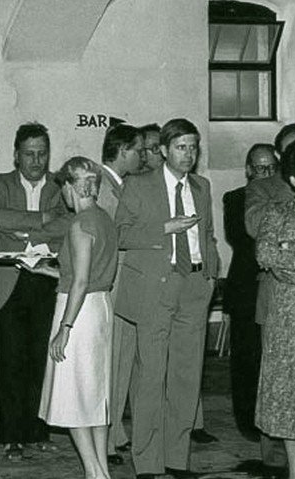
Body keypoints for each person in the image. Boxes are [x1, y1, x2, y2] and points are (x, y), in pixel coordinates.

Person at [114, 118, 219, 478]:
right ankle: (147, 461)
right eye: (180, 147)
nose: (188, 154)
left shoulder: (202, 187)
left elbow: (208, 234)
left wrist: (209, 276)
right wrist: (164, 228)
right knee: (151, 377)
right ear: (162, 150)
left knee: (186, 378)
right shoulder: (138, 184)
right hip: (155, 288)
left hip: (194, 286)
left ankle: (177, 458)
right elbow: (120, 233)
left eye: (192, 147)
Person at [0, 122, 69, 462]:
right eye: (29, 154)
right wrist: (43, 220)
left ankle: (38, 431)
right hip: (9, 280)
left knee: (41, 359)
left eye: (42, 153)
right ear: (16, 155)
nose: (36, 160)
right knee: (10, 359)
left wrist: (27, 229)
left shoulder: (59, 185)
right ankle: (12, 435)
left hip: (46, 278)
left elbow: (67, 223)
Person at [244, 122, 295, 475]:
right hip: (282, 307)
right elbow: (261, 241)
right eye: (294, 149)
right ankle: (285, 466)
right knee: (286, 391)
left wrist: (288, 246)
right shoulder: (265, 192)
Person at [30, 156, 118, 479]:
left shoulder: (80, 224)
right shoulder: (104, 219)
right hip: (99, 307)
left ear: (70, 187)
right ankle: (101, 470)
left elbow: (80, 281)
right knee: (95, 396)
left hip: (78, 313)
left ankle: (94, 473)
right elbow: (88, 275)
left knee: (74, 396)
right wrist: (51, 271)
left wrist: (64, 328)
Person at [222, 143, 278, 440]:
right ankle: (246, 420)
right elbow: (242, 238)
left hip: (276, 287)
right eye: (260, 168)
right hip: (246, 288)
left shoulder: (286, 195)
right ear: (248, 170)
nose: (266, 173)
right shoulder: (235, 198)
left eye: (271, 168)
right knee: (246, 358)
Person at [97, 123, 144, 462]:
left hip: (126, 283)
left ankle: (116, 431)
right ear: (123, 150)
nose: (142, 156)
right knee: (112, 363)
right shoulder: (103, 187)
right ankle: (107, 439)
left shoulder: (120, 185)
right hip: (114, 283)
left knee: (123, 362)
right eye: (138, 150)